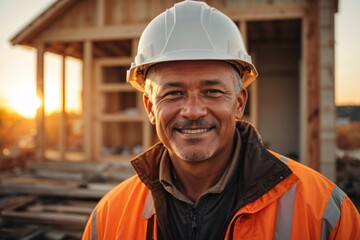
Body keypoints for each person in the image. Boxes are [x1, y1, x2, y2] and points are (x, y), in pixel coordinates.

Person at [82, 1, 360, 239]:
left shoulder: (324, 212)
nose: (193, 111)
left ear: (239, 103)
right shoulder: (109, 218)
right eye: (174, 93)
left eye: (211, 91)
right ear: (150, 107)